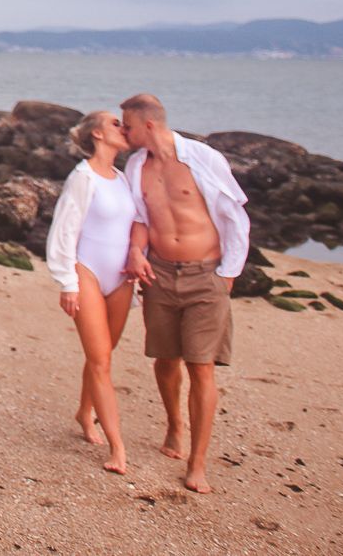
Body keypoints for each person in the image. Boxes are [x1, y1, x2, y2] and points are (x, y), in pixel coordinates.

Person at [120, 92, 250, 495]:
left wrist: (228, 274)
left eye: (127, 125)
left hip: (205, 275)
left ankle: (198, 461)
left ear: (149, 125)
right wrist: (136, 252)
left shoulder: (204, 158)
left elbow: (234, 213)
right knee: (165, 358)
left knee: (201, 367)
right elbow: (140, 217)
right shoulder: (136, 165)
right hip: (159, 274)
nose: (123, 132)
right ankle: (174, 424)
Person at [44, 109, 135, 475]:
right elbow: (63, 230)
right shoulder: (82, 177)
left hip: (122, 279)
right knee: (100, 362)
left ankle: (84, 411)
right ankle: (117, 446)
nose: (123, 128)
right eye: (115, 123)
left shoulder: (123, 178)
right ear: (97, 134)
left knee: (104, 355)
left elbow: (135, 226)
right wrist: (67, 282)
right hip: (88, 274)